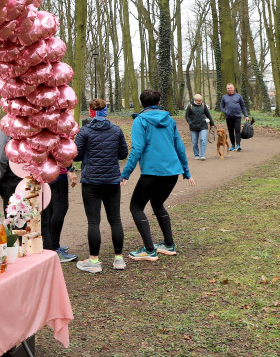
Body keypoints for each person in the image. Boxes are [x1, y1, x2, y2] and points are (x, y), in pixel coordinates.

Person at [121, 89, 195, 261]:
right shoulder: (169, 120)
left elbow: (137, 148)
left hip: (152, 172)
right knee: (157, 203)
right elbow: (180, 147)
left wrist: (126, 173)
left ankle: (149, 250)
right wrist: (186, 171)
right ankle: (168, 245)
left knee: (136, 207)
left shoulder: (140, 121)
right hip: (172, 172)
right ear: (159, 103)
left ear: (142, 103)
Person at [72, 98, 128, 272]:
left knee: (93, 222)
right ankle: (119, 259)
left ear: (90, 112)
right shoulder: (116, 130)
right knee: (115, 219)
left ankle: (94, 261)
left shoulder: (84, 131)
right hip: (112, 181)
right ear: (106, 111)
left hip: (91, 182)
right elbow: (123, 153)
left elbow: (76, 155)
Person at [41, 164, 79, 264]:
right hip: (58, 173)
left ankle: (51, 245)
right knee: (60, 208)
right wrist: (70, 168)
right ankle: (54, 247)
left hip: (43, 173)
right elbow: (62, 152)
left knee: (50, 210)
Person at [0, 127, 21, 211]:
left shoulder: (7, 123)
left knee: (13, 216)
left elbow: (0, 157)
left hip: (11, 175)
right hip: (32, 175)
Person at [184, 94, 216, 161]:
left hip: (203, 126)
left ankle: (202, 155)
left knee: (203, 140)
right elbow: (187, 116)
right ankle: (196, 155)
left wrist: (212, 123)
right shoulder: (190, 106)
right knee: (194, 142)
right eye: (198, 101)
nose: (200, 102)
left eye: (201, 100)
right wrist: (190, 123)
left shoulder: (204, 106)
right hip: (193, 126)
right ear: (195, 100)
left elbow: (208, 115)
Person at [219, 83, 249, 152]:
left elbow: (243, 106)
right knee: (230, 131)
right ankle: (233, 145)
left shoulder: (238, 96)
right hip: (229, 117)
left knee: (237, 130)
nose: (230, 89)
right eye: (228, 88)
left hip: (237, 116)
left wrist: (246, 115)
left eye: (231, 88)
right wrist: (226, 112)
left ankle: (238, 145)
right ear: (227, 89)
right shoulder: (224, 97)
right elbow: (221, 107)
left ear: (234, 88)